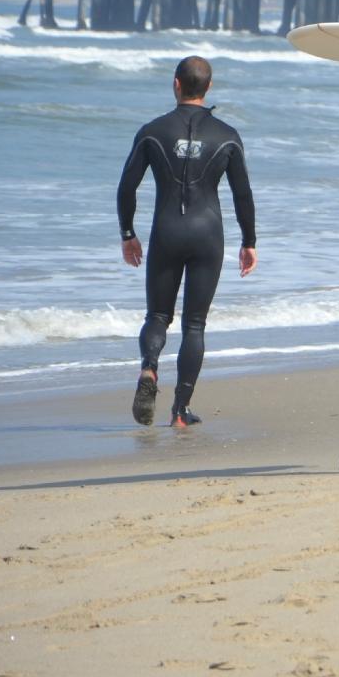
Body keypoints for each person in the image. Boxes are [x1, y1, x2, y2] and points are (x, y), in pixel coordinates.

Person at [117, 56, 258, 429]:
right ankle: (180, 411)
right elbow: (243, 195)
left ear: (176, 84)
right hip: (208, 235)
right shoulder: (227, 135)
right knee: (194, 325)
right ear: (208, 88)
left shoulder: (152, 131)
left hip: (166, 231)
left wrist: (128, 233)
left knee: (158, 316)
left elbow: (127, 186)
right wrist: (249, 241)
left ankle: (149, 369)